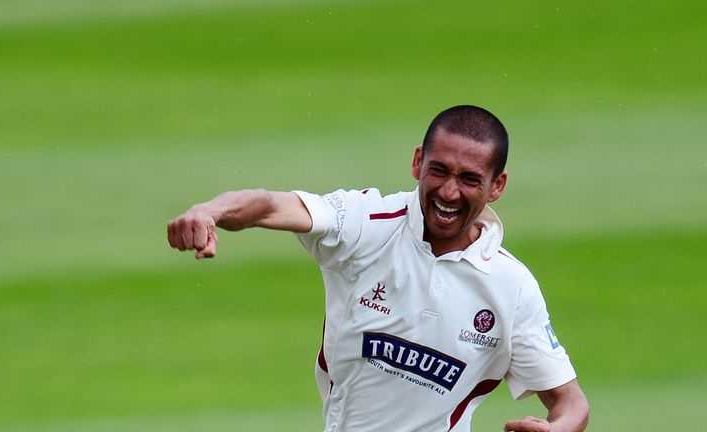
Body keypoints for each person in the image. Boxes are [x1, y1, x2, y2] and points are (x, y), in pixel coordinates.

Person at [167, 105, 590, 432]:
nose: (448, 191)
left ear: (497, 186)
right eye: (438, 170)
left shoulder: (511, 287)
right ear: (417, 162)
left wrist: (559, 428)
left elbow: (571, 402)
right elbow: (271, 204)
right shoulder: (365, 222)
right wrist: (211, 210)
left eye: (469, 179)